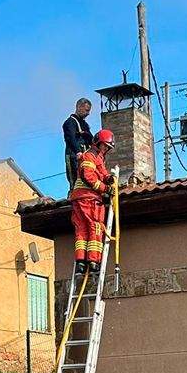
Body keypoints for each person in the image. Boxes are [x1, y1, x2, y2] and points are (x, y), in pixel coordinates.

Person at [69, 129, 115, 277]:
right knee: (95, 227)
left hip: (79, 199)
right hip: (89, 199)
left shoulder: (97, 157)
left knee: (81, 230)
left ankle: (80, 263)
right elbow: (88, 176)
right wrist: (104, 189)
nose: (106, 149)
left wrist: (108, 178)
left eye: (108, 147)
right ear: (98, 143)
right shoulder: (90, 155)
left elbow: (102, 172)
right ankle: (93, 262)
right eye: (105, 146)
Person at [62, 98, 94, 190]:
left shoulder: (84, 124)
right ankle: (72, 196)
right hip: (73, 156)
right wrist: (78, 152)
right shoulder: (69, 123)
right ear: (79, 107)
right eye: (87, 110)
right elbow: (71, 139)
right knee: (75, 180)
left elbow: (91, 140)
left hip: (85, 156)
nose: (88, 113)